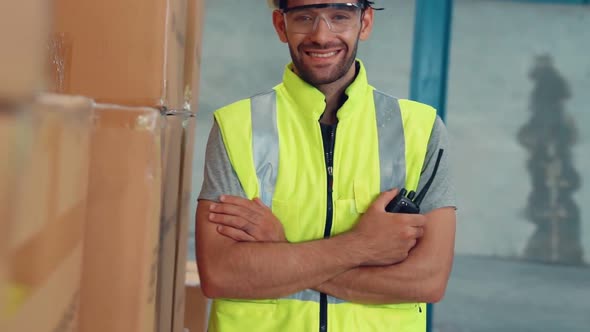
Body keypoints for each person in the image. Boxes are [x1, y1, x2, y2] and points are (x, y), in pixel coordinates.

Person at [195, 0, 457, 331]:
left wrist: (282, 253)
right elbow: (221, 275)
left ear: (365, 22)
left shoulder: (421, 129)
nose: (321, 35)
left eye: (339, 16)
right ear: (280, 25)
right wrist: (362, 246)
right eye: (305, 17)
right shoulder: (236, 126)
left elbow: (427, 281)